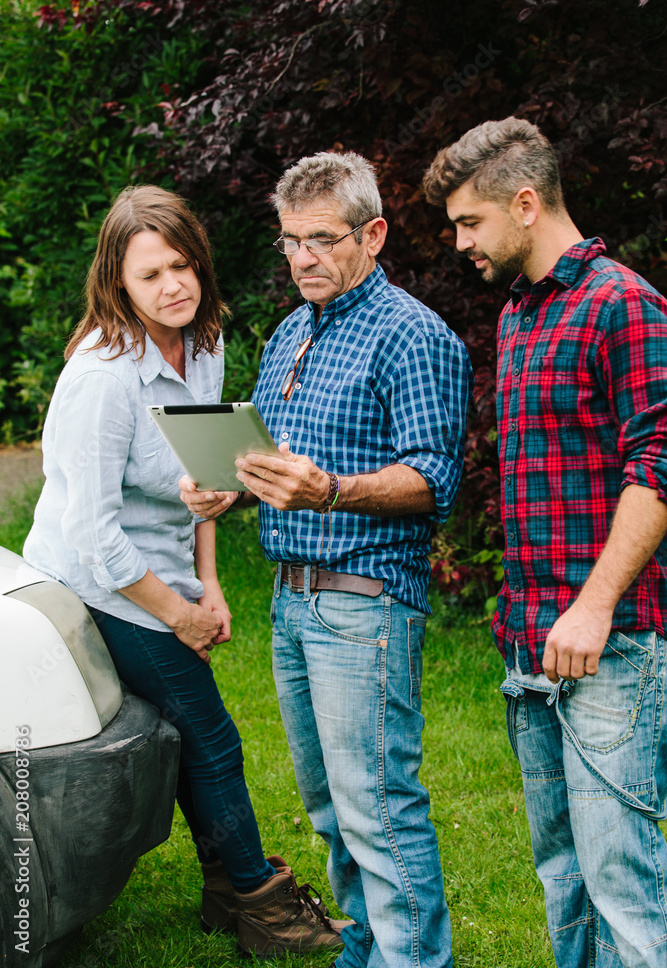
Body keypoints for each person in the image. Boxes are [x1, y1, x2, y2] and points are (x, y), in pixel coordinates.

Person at [22, 185, 347, 959]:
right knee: (211, 738)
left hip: (163, 571)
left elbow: (204, 476)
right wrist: (179, 614)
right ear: (117, 284)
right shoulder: (101, 380)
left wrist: (210, 582)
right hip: (95, 585)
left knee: (188, 734)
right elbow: (95, 538)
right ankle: (265, 907)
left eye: (182, 266)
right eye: (150, 275)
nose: (172, 285)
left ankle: (225, 895)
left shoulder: (201, 346)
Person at [180, 151, 473, 968]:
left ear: (372, 235)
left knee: (378, 804)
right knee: (329, 808)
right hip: (292, 599)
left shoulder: (412, 335)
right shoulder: (287, 335)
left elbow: (432, 477)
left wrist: (333, 490)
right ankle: (366, 946)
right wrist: (226, 491)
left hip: (364, 599)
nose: (301, 257)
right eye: (288, 241)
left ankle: (413, 960)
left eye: (320, 238)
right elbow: (271, 463)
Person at [423, 117, 667, 968]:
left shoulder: (622, 303)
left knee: (623, 888)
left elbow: (659, 462)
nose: (458, 243)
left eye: (468, 223)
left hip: (610, 647)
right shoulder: (519, 317)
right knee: (563, 879)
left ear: (525, 204)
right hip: (528, 643)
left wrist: (594, 609)